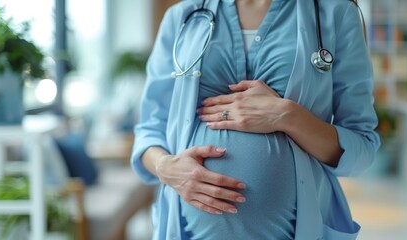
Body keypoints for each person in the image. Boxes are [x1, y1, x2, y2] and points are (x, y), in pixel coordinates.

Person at [131, 0, 380, 239]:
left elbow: (362, 148)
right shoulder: (182, 15)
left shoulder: (336, 13)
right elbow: (151, 129)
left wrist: (288, 116)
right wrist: (166, 167)